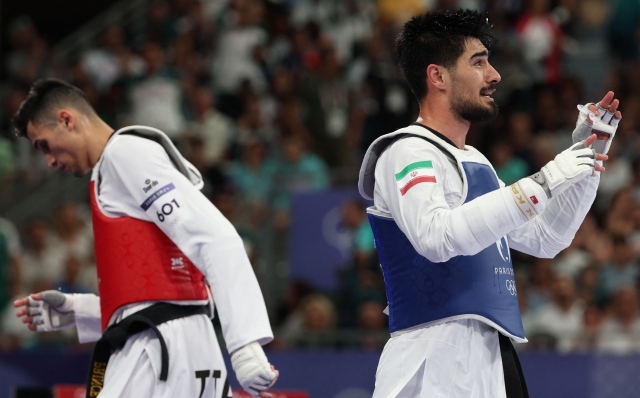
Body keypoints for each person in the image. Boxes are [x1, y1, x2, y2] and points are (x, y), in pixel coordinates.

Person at [357, 10, 621, 398]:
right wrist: (545, 180)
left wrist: (585, 160)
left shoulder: (476, 162)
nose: (494, 75)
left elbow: (546, 238)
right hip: (433, 361)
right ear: (438, 76)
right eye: (478, 62)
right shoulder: (407, 151)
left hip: (493, 356)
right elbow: (435, 237)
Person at [11, 79, 279, 398]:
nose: (49, 161)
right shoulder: (113, 167)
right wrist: (82, 311)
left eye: (43, 144)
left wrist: (245, 344)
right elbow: (163, 283)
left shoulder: (125, 154)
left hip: (162, 348)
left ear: (67, 120)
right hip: (169, 341)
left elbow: (216, 238)